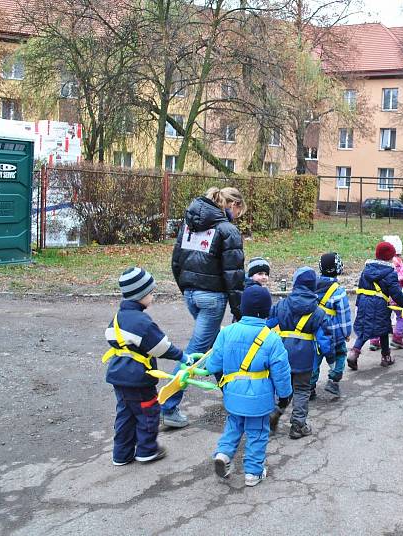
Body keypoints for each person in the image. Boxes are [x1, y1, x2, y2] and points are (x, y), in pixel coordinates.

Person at [166, 186, 246, 428]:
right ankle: (167, 405)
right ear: (233, 205)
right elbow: (234, 275)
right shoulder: (227, 230)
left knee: (214, 345)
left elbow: (176, 261)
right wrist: (238, 310)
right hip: (212, 299)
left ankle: (232, 396)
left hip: (191, 294)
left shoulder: (189, 224)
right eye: (240, 211)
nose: (239, 216)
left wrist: (187, 289)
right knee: (194, 354)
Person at [206, 286, 293, 487]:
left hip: (233, 393)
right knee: (257, 432)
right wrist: (285, 394)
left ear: (242, 308)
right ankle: (253, 472)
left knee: (233, 425)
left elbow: (213, 364)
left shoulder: (227, 332)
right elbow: (281, 370)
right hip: (259, 398)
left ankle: (223, 453)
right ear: (267, 311)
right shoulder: (271, 338)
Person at [103, 267, 190, 466]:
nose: (152, 297)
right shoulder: (141, 321)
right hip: (138, 377)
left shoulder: (118, 317)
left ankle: (121, 454)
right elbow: (161, 347)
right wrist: (182, 356)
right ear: (140, 295)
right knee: (148, 412)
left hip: (118, 374)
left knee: (125, 415)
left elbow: (110, 336)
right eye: (150, 293)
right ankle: (147, 450)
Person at [268, 267, 332, 439]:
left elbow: (266, 327)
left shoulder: (281, 305)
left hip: (281, 354)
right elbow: (324, 340)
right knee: (302, 390)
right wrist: (331, 357)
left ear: (295, 284)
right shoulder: (318, 312)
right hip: (304, 358)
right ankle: (298, 425)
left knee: (282, 387)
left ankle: (274, 413)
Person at [348, 241, 403, 370]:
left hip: (364, 301)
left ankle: (357, 353)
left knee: (368, 328)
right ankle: (383, 357)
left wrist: (359, 304)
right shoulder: (390, 272)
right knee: (383, 329)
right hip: (379, 304)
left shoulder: (367, 269)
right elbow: (395, 292)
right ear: (390, 257)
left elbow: (360, 287)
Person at [310, 252, 351, 400]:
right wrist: (347, 333)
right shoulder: (339, 291)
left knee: (314, 358)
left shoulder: (311, 286)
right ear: (338, 268)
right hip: (334, 334)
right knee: (340, 354)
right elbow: (344, 315)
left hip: (315, 332)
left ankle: (310, 387)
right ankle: (333, 381)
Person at [370, 236, 403, 350]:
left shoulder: (380, 265)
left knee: (380, 318)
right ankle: (397, 338)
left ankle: (374, 340)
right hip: (396, 298)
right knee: (401, 316)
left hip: (382, 298)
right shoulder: (402, 266)